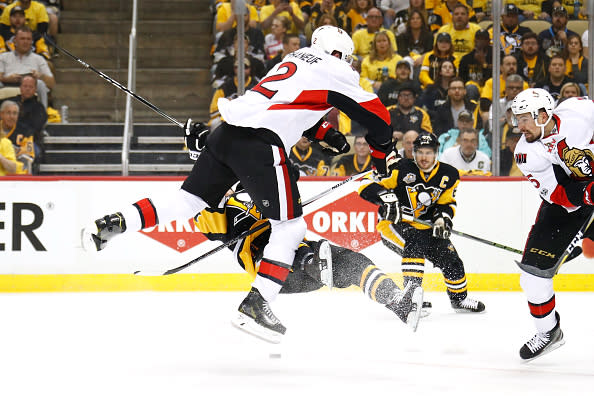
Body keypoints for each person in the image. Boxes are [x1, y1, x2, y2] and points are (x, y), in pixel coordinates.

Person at [81, 26, 393, 343]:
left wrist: (324, 134)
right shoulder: (335, 67)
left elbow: (287, 103)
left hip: (228, 132)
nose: (349, 64)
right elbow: (379, 120)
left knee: (187, 201)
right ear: (338, 53)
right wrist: (382, 159)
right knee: (290, 229)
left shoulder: (295, 59)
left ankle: (114, 223)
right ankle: (257, 305)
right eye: (347, 58)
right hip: (261, 144)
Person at [194, 190, 423, 329]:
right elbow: (208, 226)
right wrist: (213, 195)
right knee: (284, 249)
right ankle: (314, 264)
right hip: (273, 270)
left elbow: (290, 194)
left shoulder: (258, 188)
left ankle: (396, 300)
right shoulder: (216, 210)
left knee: (353, 262)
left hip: (305, 256)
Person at [358, 133, 486, 315]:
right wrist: (385, 199)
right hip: (394, 224)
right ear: (414, 152)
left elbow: (446, 203)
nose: (424, 157)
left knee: (450, 258)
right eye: (420, 152)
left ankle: (459, 299)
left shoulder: (448, 174)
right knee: (414, 248)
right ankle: (409, 299)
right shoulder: (399, 168)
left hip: (426, 227)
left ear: (436, 153)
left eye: (428, 153)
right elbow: (365, 184)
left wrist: (442, 219)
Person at [510, 88, 594, 361]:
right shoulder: (525, 152)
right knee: (532, 277)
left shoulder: (578, 111)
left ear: (544, 115)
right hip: (566, 203)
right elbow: (556, 195)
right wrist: (587, 194)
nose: (519, 126)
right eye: (517, 119)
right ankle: (549, 332)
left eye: (524, 119)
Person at [0, 26, 54, 108]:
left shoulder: (38, 59)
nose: (25, 42)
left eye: (28, 39)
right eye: (22, 39)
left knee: (40, 84)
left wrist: (41, 76)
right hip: (9, 85)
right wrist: (7, 79)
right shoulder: (4, 57)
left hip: (30, 88)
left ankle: (42, 115)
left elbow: (52, 83)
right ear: (15, 40)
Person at [5, 74, 46, 164]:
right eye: (25, 86)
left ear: (35, 89)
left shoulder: (39, 108)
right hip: (5, 139)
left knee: (34, 152)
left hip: (28, 141)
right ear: (20, 87)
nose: (27, 89)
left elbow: (34, 128)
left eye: (30, 87)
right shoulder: (8, 102)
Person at [208, 58, 259, 129]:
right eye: (238, 67)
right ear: (234, 69)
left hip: (250, 120)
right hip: (227, 120)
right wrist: (227, 104)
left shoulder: (257, 86)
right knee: (215, 123)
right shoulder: (224, 87)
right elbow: (213, 113)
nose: (242, 70)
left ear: (250, 69)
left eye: (245, 67)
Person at [458, 29, 492, 101]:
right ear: (475, 40)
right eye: (479, 39)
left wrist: (484, 63)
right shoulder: (466, 58)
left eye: (484, 39)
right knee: (471, 88)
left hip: (490, 88)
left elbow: (498, 76)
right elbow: (461, 78)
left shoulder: (495, 56)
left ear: (489, 41)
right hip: (472, 89)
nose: (481, 41)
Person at [0, 99, 32, 174]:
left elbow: (27, 158)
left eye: (15, 113)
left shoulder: (26, 132)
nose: (12, 116)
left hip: (17, 173)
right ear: (1, 114)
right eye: (8, 113)